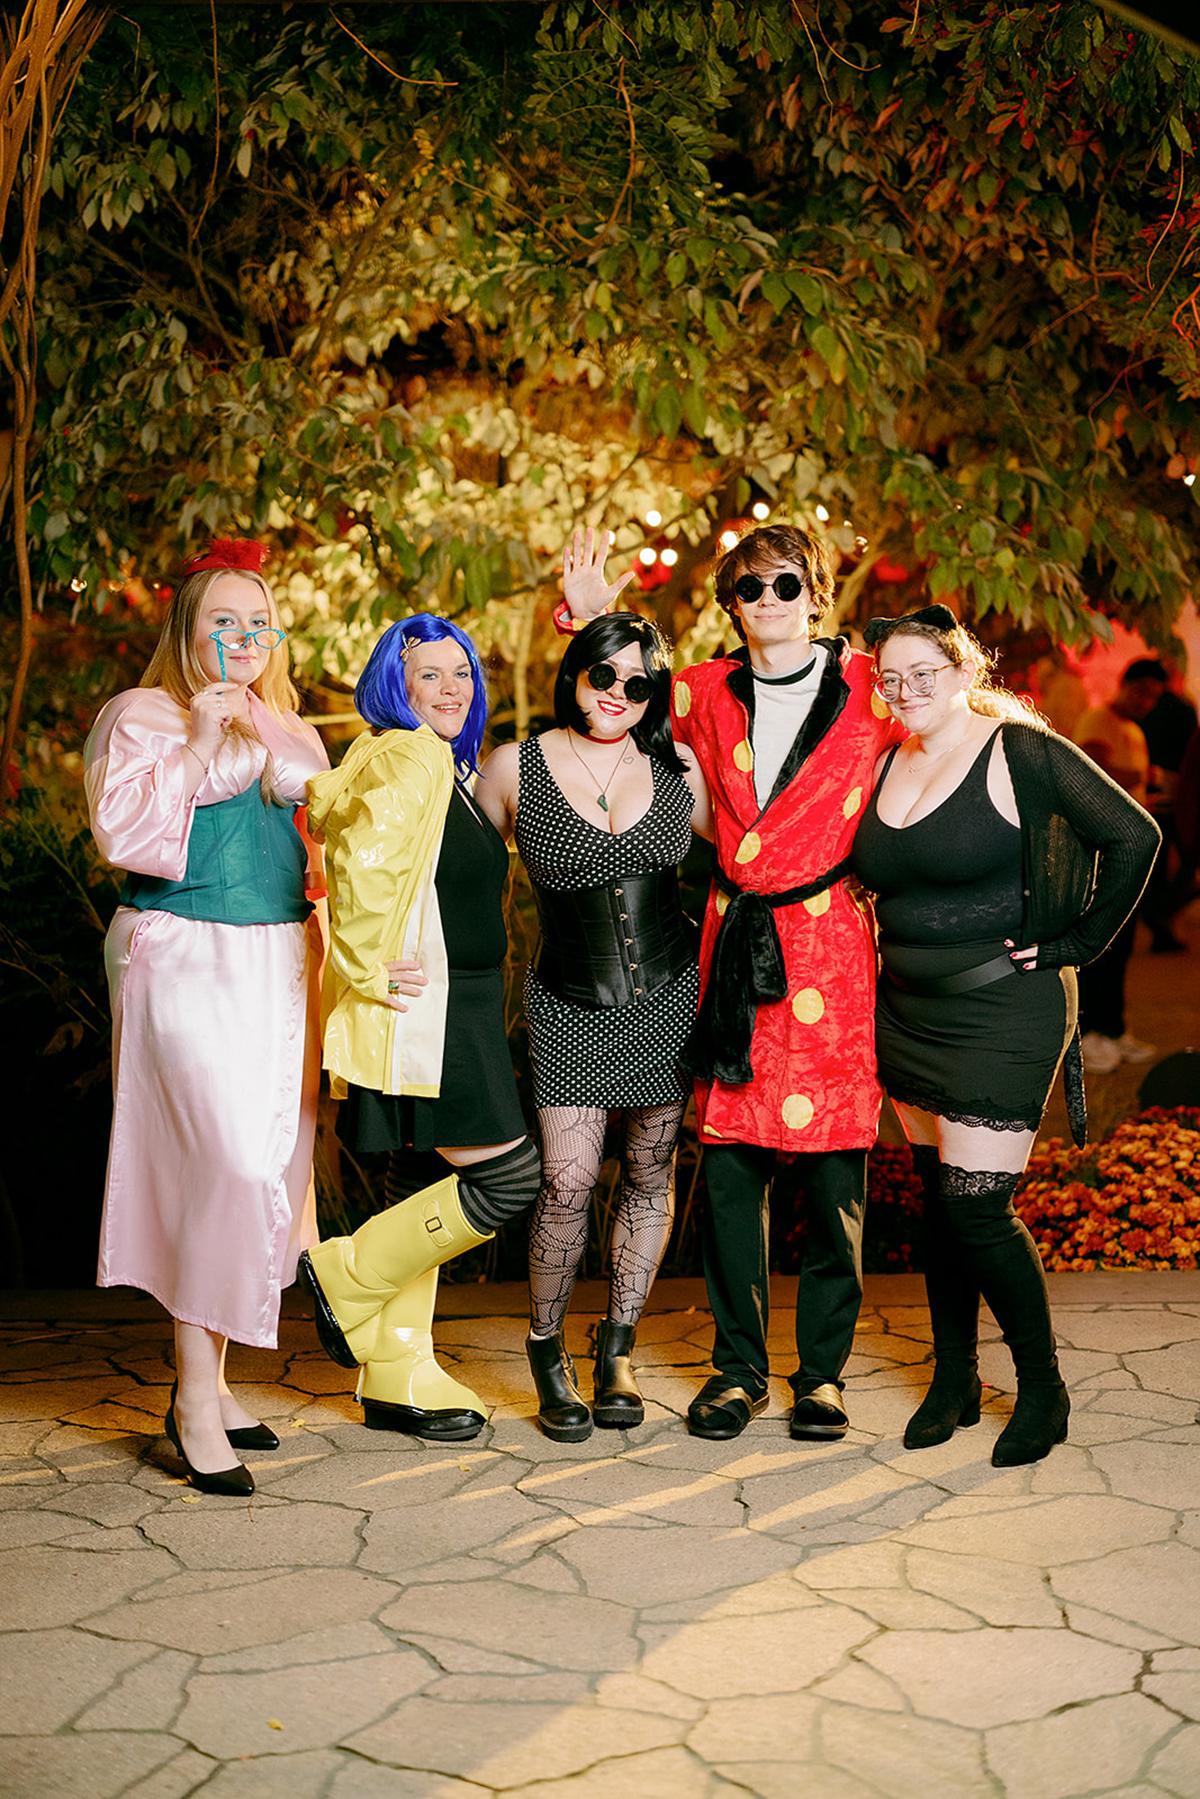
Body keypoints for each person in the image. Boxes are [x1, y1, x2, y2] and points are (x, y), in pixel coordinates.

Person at [557, 524, 902, 1444]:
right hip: (736, 936)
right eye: (748, 590)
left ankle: (821, 1375)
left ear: (817, 593)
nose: (768, 602)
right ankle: (737, 1370)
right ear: (731, 605)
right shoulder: (705, 690)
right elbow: (628, 697)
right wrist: (594, 617)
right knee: (731, 1174)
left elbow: (951, 738)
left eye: (786, 584)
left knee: (835, 1175)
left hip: (830, 942)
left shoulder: (873, 683)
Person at [854, 605, 1159, 1465]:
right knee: (939, 1208)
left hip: (1002, 1010)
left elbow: (1135, 835)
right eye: (891, 677)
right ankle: (952, 1381)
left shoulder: (1018, 751)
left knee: (976, 1208)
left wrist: (1078, 945)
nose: (907, 690)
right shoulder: (887, 759)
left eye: (925, 673)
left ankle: (1044, 1389)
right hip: (907, 1013)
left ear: (963, 671)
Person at [85, 538, 329, 1495]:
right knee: (221, 1163)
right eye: (221, 619)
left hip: (276, 962)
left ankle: (217, 1380)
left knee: (266, 1166)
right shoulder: (144, 713)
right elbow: (125, 837)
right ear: (186, 629)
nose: (242, 636)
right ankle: (191, 1397)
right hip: (183, 953)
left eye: (257, 622)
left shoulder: (293, 732)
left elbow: (321, 857)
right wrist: (196, 741)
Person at [298, 615, 541, 1442]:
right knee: (507, 1180)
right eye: (429, 674)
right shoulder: (410, 755)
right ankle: (347, 1272)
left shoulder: (442, 765)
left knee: (418, 1180)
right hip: (437, 1008)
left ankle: (397, 1373)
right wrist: (366, 966)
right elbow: (361, 868)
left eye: (461, 674)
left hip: (457, 1001)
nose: (450, 689)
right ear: (393, 683)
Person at [478, 592, 711, 1441]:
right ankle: (547, 1347)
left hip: (668, 997)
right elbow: (457, 869)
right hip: (569, 1001)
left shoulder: (679, 766)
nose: (618, 693)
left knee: (650, 1175)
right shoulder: (514, 767)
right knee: (567, 1179)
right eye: (602, 673)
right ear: (573, 673)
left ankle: (618, 1344)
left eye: (639, 684)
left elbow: (756, 853)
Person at [1072, 660, 1161, 1072]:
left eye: (1154, 697)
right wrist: (1140, 775)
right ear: (1123, 685)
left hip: (1129, 849)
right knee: (1100, 944)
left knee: (1121, 945)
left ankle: (1112, 1028)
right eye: (1140, 691)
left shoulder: (1135, 731)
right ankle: (1087, 1035)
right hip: (1099, 847)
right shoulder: (1098, 718)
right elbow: (1093, 768)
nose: (1145, 702)